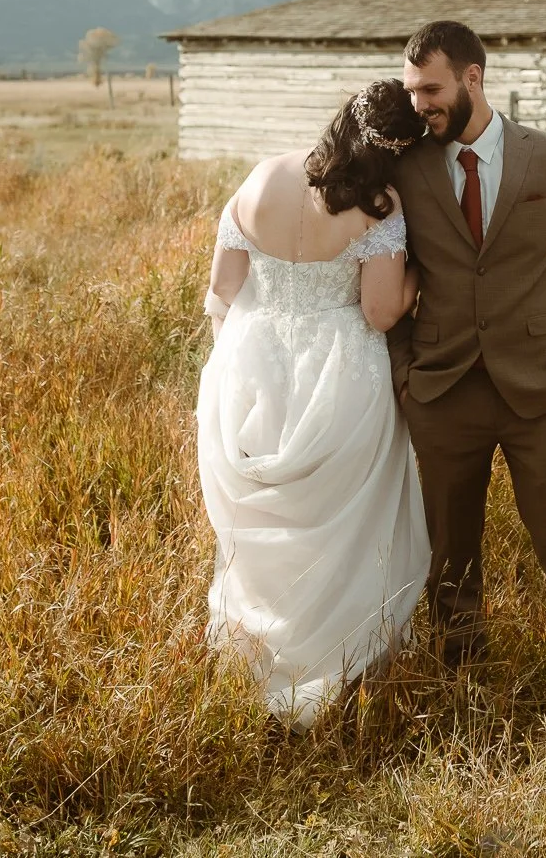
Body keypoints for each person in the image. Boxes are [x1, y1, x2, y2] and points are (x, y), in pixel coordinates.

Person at [389, 20, 546, 714]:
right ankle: (462, 683)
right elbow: (385, 273)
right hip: (442, 389)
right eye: (411, 92)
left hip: (544, 387)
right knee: (449, 555)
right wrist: (408, 374)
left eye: (430, 89)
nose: (419, 105)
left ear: (472, 78)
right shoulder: (406, 166)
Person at [196, 79, 431, 726]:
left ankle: (259, 648)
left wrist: (234, 363)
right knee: (342, 522)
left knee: (262, 524)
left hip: (252, 364)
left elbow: (222, 288)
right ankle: (339, 653)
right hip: (338, 373)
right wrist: (419, 277)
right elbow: (380, 311)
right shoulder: (379, 206)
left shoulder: (262, 176)